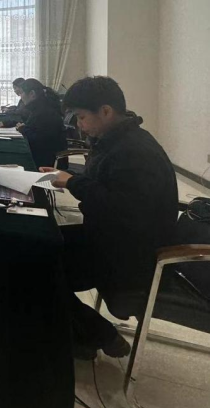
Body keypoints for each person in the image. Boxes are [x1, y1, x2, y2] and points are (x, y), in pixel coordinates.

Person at [42, 76, 178, 361]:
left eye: (82, 117)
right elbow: (107, 184)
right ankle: (81, 335)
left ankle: (98, 334)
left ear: (105, 111)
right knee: (36, 245)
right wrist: (67, 177)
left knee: (35, 264)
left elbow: (121, 208)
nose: (79, 125)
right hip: (111, 237)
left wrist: (72, 182)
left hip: (128, 255)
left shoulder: (135, 152)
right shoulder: (116, 140)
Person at [14, 78, 67, 169]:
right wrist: (25, 128)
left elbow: (39, 140)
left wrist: (24, 129)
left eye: (22, 93)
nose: (21, 97)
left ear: (32, 94)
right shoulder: (39, 108)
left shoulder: (45, 112)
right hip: (42, 156)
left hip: (47, 164)